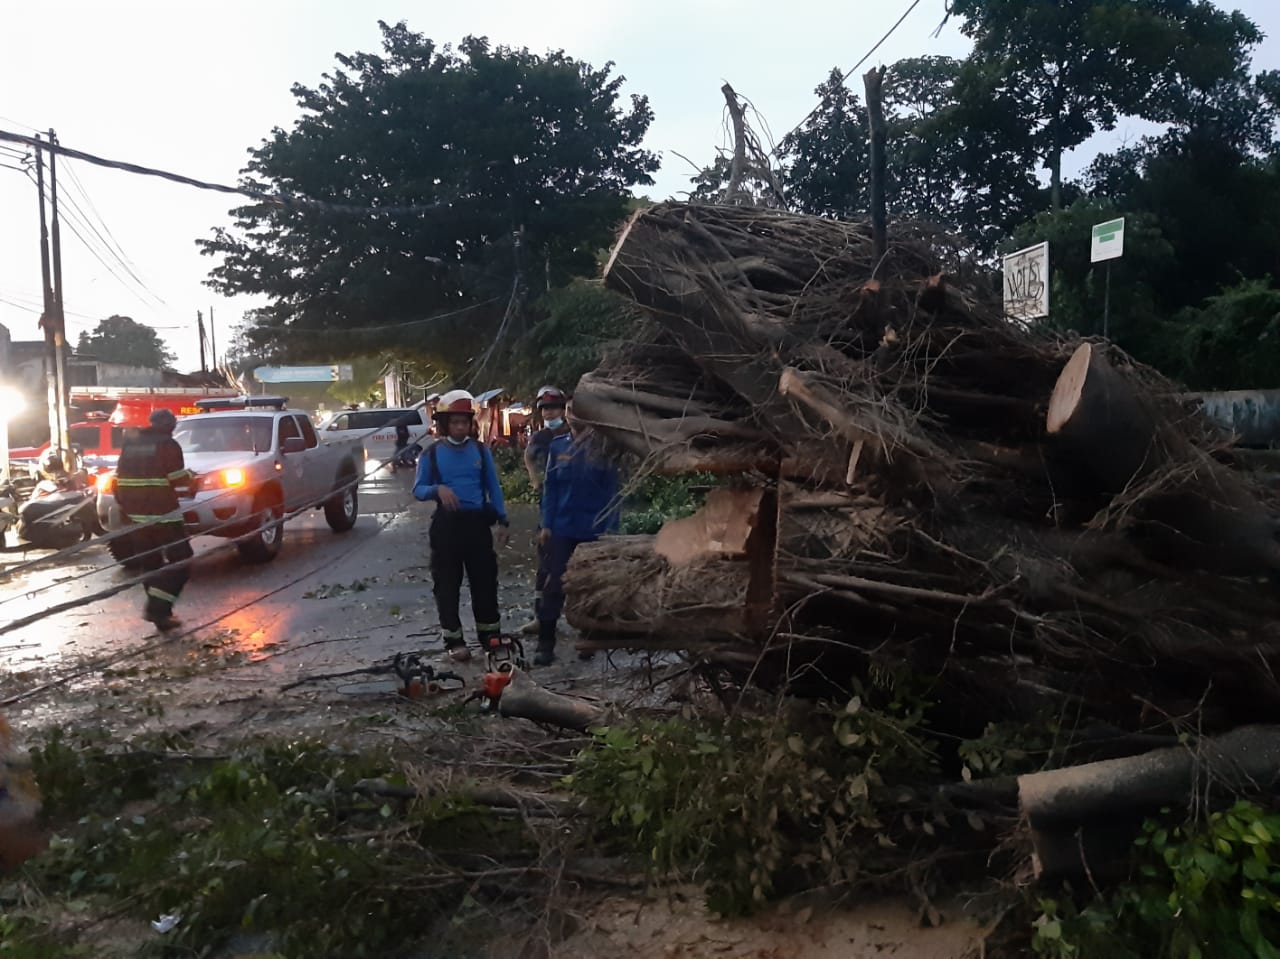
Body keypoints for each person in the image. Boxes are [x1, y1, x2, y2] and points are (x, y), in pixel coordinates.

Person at [412, 390, 510, 662]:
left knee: (485, 582)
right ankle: (454, 640)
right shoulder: (431, 455)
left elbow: (493, 486)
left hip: (477, 525)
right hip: (447, 527)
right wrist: (438, 489)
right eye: (454, 422)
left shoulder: (480, 451)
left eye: (464, 422)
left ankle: (490, 636)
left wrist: (503, 519)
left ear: (471, 424)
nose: (459, 427)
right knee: (447, 584)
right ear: (444, 424)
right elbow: (418, 489)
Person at [534, 404, 620, 666]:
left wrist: (611, 530)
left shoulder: (604, 448)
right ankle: (546, 643)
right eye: (571, 412)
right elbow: (551, 489)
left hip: (594, 529)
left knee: (590, 585)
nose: (574, 417)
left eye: (580, 412)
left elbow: (614, 492)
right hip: (562, 528)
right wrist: (546, 524)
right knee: (554, 585)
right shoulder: (558, 446)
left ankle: (588, 637)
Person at [115, 408, 195, 630]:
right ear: (171, 426)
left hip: (134, 516)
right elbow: (178, 478)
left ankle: (162, 617)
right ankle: (157, 608)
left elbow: (119, 476)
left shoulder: (131, 444)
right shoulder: (168, 444)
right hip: (163, 514)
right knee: (183, 559)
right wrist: (192, 478)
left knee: (150, 563)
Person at [518, 386, 571, 636]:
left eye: (554, 408)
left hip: (574, 505)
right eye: (546, 409)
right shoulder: (540, 438)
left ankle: (584, 619)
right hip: (549, 506)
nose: (550, 413)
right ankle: (543, 618)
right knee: (546, 564)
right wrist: (535, 478)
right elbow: (529, 458)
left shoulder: (574, 433)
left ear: (564, 409)